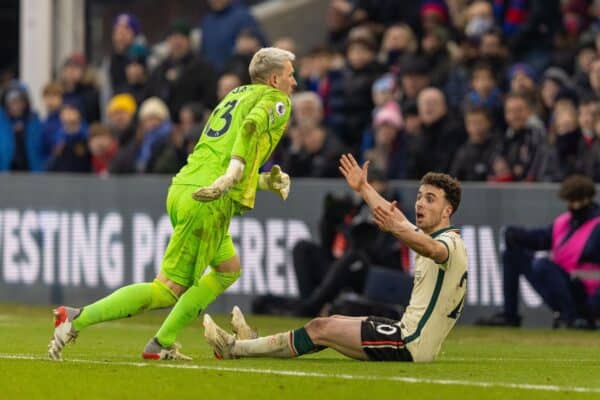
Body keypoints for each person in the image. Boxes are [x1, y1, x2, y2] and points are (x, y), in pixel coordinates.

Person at [48, 47, 298, 361]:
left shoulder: (237, 95)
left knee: (227, 269)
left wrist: (261, 180)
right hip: (209, 199)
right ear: (275, 79)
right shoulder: (277, 100)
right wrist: (234, 173)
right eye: (290, 75)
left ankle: (161, 342)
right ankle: (76, 317)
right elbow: (248, 131)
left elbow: (221, 150)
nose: (295, 82)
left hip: (186, 186)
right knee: (166, 289)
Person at [204, 154, 468, 363]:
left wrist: (396, 228)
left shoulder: (450, 244)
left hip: (410, 343)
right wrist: (364, 188)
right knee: (328, 323)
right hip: (406, 331)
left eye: (430, 199)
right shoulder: (433, 236)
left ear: (447, 211)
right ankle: (250, 343)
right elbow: (396, 217)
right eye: (420, 197)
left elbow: (432, 250)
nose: (420, 204)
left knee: (321, 329)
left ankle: (235, 348)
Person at [476, 175, 600, 329]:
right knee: (512, 253)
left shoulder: (597, 225)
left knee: (542, 265)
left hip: (587, 295)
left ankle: (574, 318)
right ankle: (510, 316)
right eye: (570, 201)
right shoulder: (565, 222)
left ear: (588, 199)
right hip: (562, 287)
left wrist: (592, 308)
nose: (574, 206)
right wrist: (517, 234)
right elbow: (540, 238)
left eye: (577, 200)